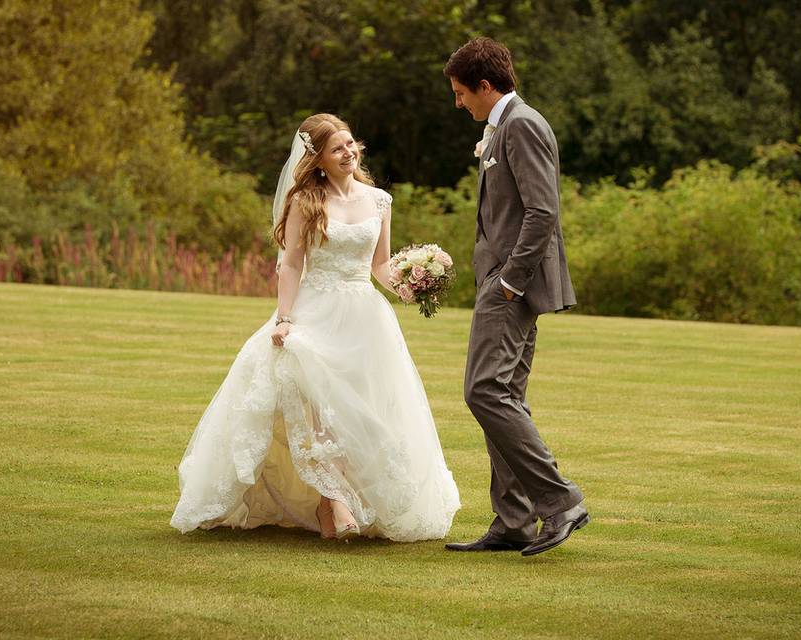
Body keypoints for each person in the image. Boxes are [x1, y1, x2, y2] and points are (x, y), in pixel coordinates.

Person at [170, 113, 460, 542]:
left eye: (351, 144)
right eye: (337, 148)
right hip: (315, 310)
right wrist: (285, 318)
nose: (349, 152)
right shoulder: (306, 201)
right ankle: (337, 501)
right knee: (322, 403)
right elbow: (290, 264)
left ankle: (329, 506)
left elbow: (379, 265)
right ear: (318, 159)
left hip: (365, 316)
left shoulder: (379, 200)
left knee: (360, 406)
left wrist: (410, 285)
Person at [442, 38, 588, 556]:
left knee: (484, 391)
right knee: (505, 394)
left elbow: (542, 212)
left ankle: (560, 500)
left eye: (462, 93)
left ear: (486, 86)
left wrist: (509, 281)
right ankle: (514, 521)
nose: (459, 103)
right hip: (501, 280)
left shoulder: (522, 124)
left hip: (511, 284)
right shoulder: (500, 127)